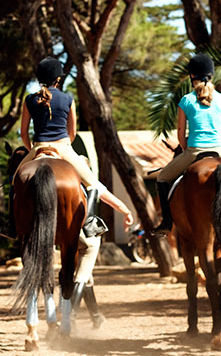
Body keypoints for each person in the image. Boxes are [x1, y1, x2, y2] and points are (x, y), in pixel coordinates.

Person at [7, 57, 134, 237]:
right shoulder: (67, 98)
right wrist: (66, 144)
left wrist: (32, 150)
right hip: (64, 148)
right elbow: (72, 132)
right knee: (92, 184)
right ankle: (90, 221)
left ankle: (11, 225)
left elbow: (24, 132)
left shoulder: (29, 100)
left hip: (38, 147)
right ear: (58, 79)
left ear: (40, 78)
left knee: (14, 183)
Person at [152, 53, 221, 235]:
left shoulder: (186, 100)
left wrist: (185, 149)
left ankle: (167, 223)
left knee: (162, 178)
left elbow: (181, 134)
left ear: (192, 76)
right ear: (211, 75)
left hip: (194, 151)